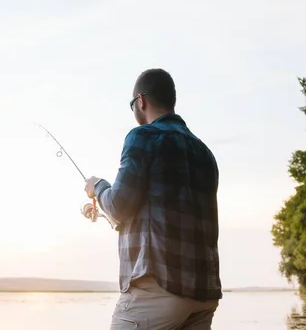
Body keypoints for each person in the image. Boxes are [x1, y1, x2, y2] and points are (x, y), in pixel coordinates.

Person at [84, 68, 222, 329]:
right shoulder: (205, 153)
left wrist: (97, 187)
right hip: (204, 293)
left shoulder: (143, 136)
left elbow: (118, 205)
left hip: (158, 288)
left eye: (132, 104)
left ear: (141, 101)